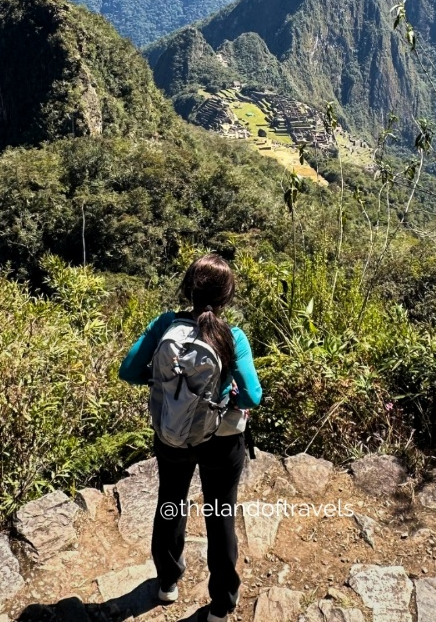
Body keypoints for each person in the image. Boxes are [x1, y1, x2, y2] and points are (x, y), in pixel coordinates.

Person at [119, 253, 262, 622]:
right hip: (222, 438)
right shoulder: (233, 337)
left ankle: (167, 583)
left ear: (187, 289)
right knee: (220, 514)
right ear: (227, 296)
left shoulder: (165, 323)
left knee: (171, 501)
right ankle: (221, 604)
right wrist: (222, 399)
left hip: (172, 433)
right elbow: (252, 396)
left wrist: (170, 387)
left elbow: (129, 371)